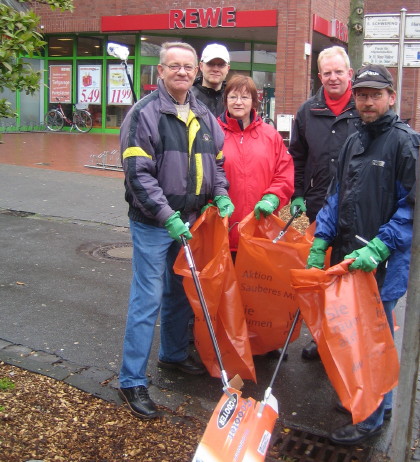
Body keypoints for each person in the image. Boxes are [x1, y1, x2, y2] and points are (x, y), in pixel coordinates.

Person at [118, 41, 234, 420]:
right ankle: (131, 380)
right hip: (154, 223)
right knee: (147, 298)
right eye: (175, 66)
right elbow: (138, 174)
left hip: (191, 221)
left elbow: (216, 162)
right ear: (161, 71)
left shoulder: (203, 113)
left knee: (180, 293)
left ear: (195, 71)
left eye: (188, 66)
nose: (182, 72)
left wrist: (220, 194)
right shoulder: (144, 114)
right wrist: (166, 214)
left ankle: (171, 355)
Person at [306, 64, 418, 445]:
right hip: (349, 258)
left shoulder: (405, 143)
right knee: (360, 338)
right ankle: (376, 401)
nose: (368, 102)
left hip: (380, 264)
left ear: (390, 97)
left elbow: (412, 207)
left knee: (374, 339)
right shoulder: (355, 139)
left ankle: (369, 419)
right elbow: (337, 195)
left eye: (375, 95)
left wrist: (382, 244)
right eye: (363, 95)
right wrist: (321, 237)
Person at [288, 45, 360, 360]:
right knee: (321, 274)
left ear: (350, 74)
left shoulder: (364, 108)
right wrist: (298, 193)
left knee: (350, 277)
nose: (333, 78)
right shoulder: (307, 112)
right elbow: (297, 157)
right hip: (318, 205)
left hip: (357, 208)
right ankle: (322, 338)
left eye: (338, 72)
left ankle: (346, 341)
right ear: (320, 76)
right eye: (327, 73)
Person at [217, 75, 294, 254]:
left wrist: (273, 197)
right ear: (225, 100)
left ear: (253, 102)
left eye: (245, 97)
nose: (238, 102)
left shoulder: (270, 135)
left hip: (261, 228)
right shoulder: (213, 132)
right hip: (223, 227)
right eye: (233, 97)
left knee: (256, 281)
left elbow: (284, 172)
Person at [191, 43, 230, 117]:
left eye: (221, 65)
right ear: (201, 66)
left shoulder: (234, 98)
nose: (215, 69)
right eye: (210, 64)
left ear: (227, 69)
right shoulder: (188, 97)